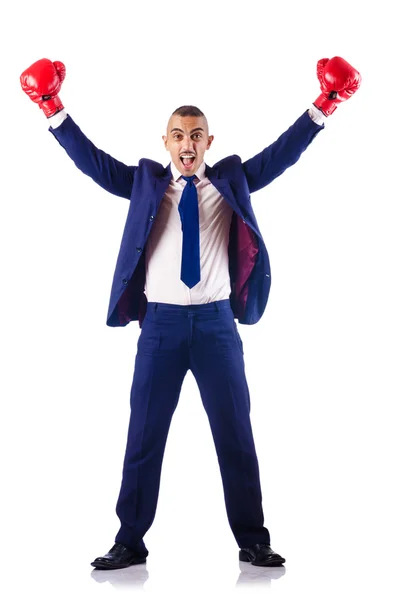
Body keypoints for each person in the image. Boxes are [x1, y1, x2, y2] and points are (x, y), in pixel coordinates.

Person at [20, 56, 361, 570]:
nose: (187, 143)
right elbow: (91, 162)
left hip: (217, 327)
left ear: (208, 143)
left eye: (196, 135)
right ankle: (129, 541)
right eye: (178, 134)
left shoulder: (230, 181)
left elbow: (283, 154)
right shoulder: (143, 183)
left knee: (235, 434)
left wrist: (324, 105)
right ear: (165, 143)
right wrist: (52, 109)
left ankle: (253, 539)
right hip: (160, 327)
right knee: (144, 435)